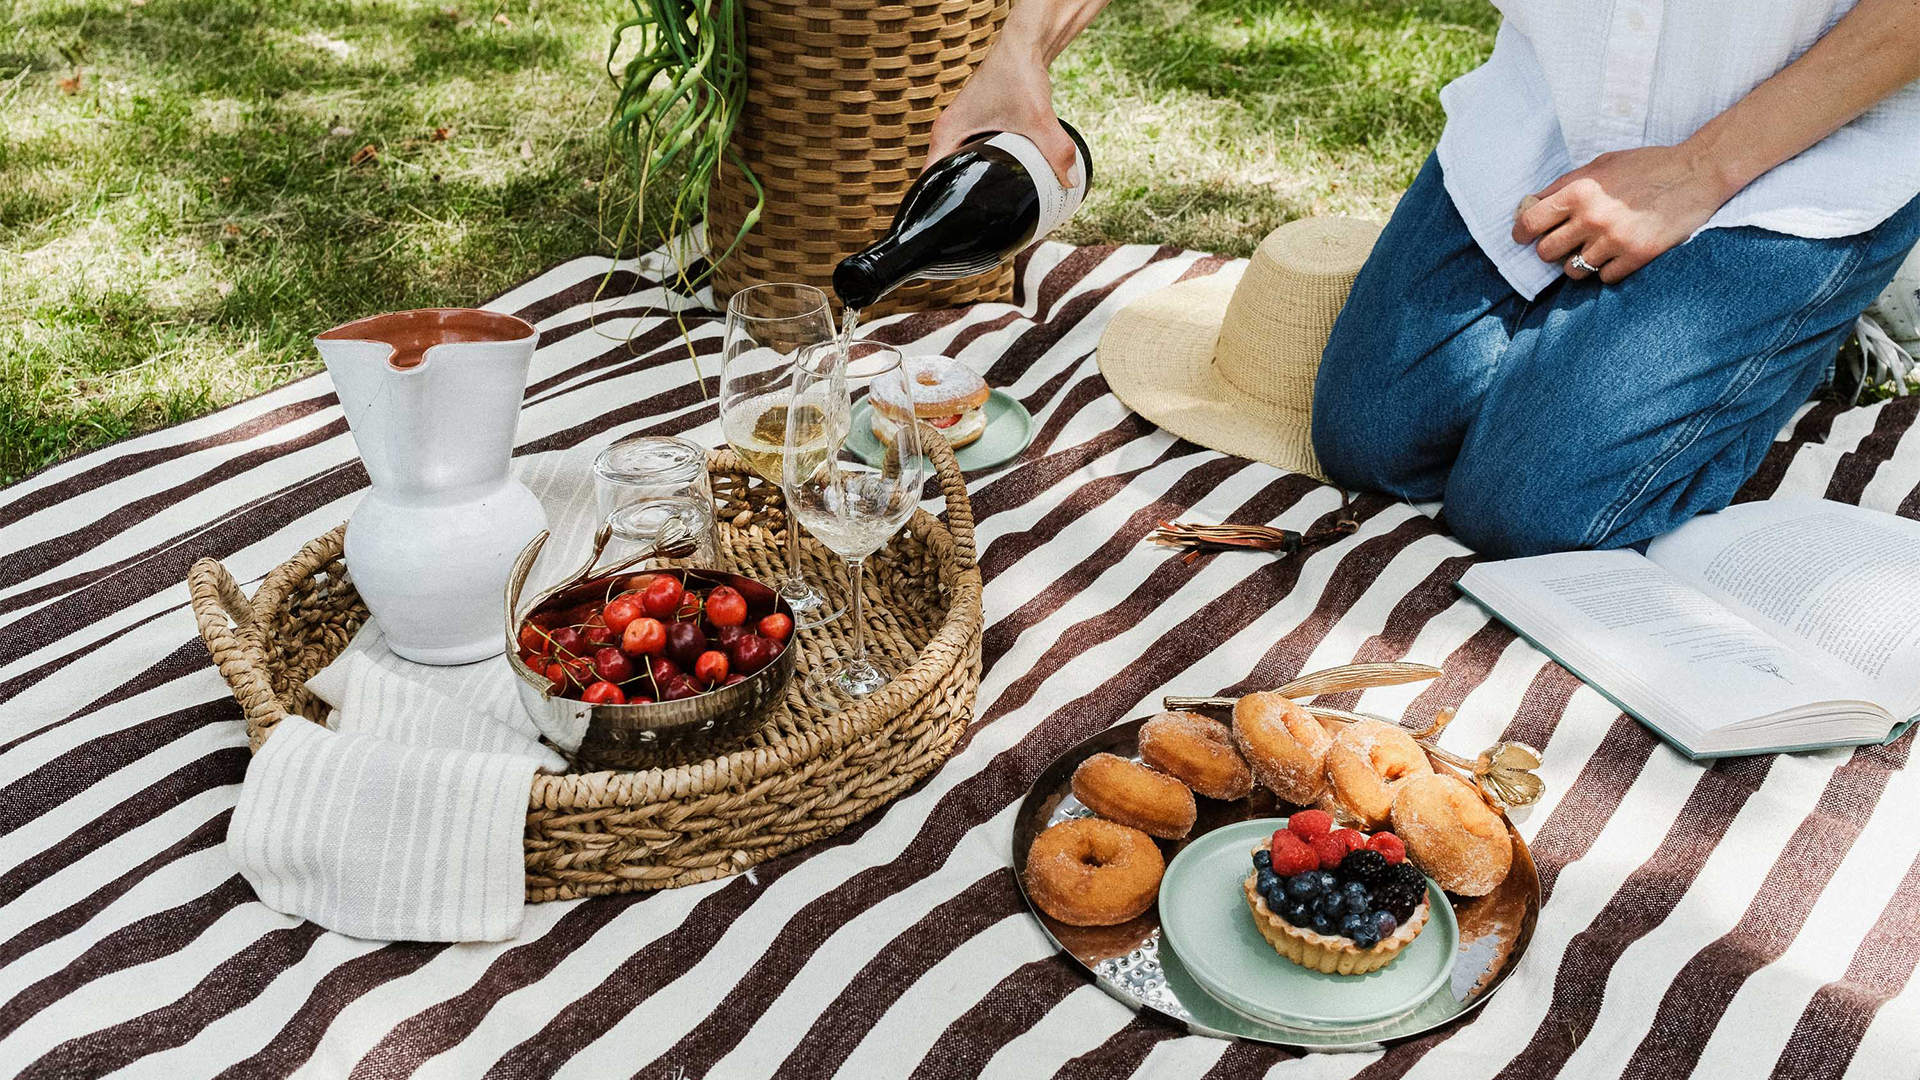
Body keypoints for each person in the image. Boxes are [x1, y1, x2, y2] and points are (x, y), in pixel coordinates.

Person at [930, 0, 1920, 558]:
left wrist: (1700, 171)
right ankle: (1618, 347)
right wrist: (1020, 47)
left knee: (1534, 514)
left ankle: (1802, 327)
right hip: (1560, 110)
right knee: (1371, 435)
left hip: (1801, 148)